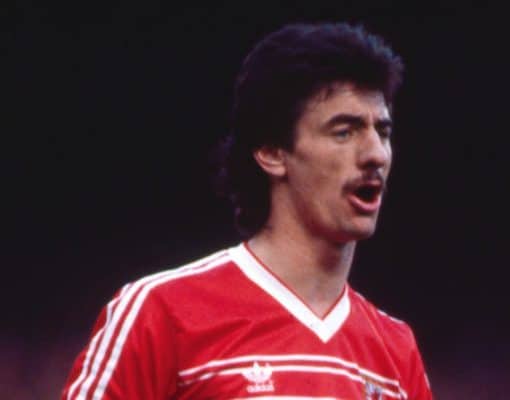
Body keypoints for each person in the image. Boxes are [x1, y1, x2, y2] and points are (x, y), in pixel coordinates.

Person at [62, 22, 433, 400]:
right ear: (272, 152)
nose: (375, 154)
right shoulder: (160, 313)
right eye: (344, 131)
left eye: (382, 132)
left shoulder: (396, 351)